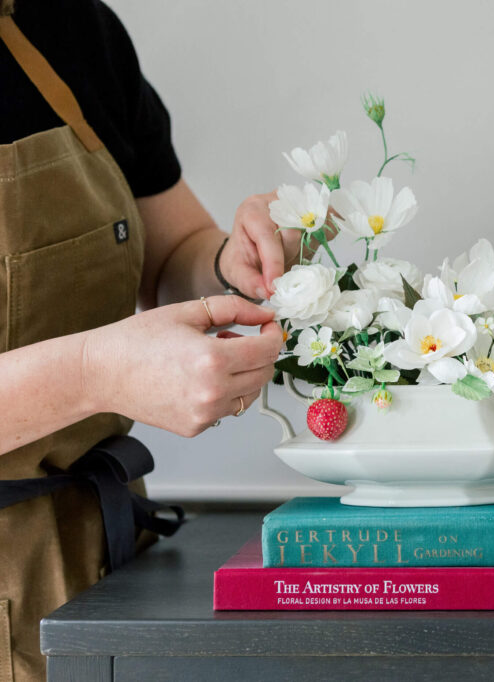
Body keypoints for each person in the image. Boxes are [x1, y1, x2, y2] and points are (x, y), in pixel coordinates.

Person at [0, 0, 296, 678]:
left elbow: (171, 257)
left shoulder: (70, 29)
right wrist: (93, 374)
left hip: (100, 576)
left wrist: (236, 262)